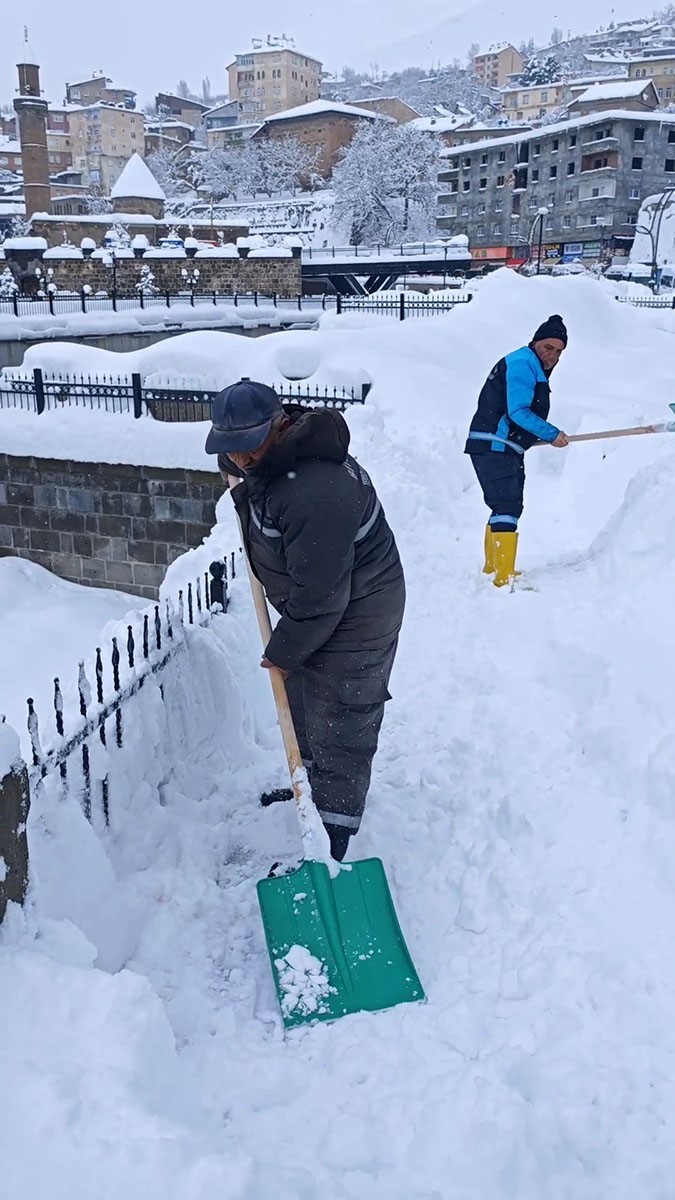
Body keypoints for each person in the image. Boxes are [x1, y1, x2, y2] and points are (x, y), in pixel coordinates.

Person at [205, 378, 405, 862]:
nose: (241, 459)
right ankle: (311, 793)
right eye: (231, 449)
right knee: (303, 698)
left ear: (279, 427)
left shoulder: (316, 491)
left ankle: (331, 842)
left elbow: (321, 601)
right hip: (322, 599)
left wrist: (283, 649)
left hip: (359, 611)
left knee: (342, 714)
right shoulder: (273, 459)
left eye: (249, 447)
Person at [465, 313, 570, 587]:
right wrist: (552, 433)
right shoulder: (524, 363)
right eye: (549, 348)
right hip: (494, 444)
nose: (553, 356)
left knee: (504, 505)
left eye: (559, 351)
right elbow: (518, 411)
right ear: (536, 342)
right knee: (507, 504)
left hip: (501, 445)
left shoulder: (529, 363)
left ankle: (494, 568)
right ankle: (502, 576)